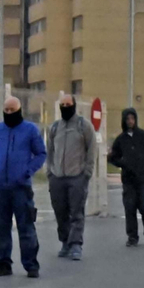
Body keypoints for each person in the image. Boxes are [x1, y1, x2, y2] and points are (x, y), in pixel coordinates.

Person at [0, 96, 46, 277]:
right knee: (2, 226)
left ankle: (31, 264)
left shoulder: (30, 130)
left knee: (26, 226)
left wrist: (28, 171)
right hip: (0, 187)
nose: (9, 113)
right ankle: (3, 263)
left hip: (21, 188)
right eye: (7, 110)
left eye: (12, 110)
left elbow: (41, 153)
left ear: (19, 110)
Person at [46, 92, 96, 260]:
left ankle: (76, 244)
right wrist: (50, 173)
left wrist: (87, 173)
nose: (65, 108)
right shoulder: (54, 128)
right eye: (63, 105)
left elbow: (91, 150)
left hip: (77, 176)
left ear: (74, 105)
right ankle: (65, 242)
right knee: (60, 212)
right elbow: (50, 151)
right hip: (57, 177)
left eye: (68, 105)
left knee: (76, 212)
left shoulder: (84, 126)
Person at [108, 107, 144, 245]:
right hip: (128, 180)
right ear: (124, 121)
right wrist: (123, 163)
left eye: (132, 118)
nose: (130, 121)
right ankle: (132, 236)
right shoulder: (120, 140)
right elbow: (113, 157)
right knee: (130, 208)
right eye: (127, 119)